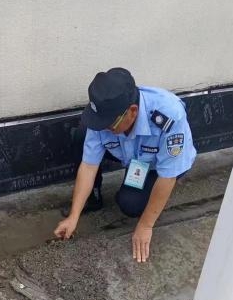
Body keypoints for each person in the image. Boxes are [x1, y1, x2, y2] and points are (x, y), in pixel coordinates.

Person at [54, 68, 196, 262]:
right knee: (81, 134)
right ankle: (92, 198)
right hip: (130, 156)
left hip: (159, 165)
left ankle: (149, 195)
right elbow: (88, 166)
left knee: (131, 205)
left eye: (109, 125)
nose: (103, 128)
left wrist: (146, 226)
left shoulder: (169, 116)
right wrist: (73, 216)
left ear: (132, 112)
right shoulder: (105, 115)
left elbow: (168, 175)